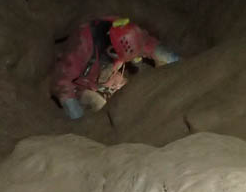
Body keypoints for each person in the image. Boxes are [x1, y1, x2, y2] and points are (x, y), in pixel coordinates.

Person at [51, 16, 179, 120]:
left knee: (131, 92)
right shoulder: (82, 45)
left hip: (107, 75)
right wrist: (76, 116)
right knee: (99, 105)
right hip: (81, 85)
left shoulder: (127, 32)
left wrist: (178, 63)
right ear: (112, 50)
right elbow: (62, 82)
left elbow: (149, 45)